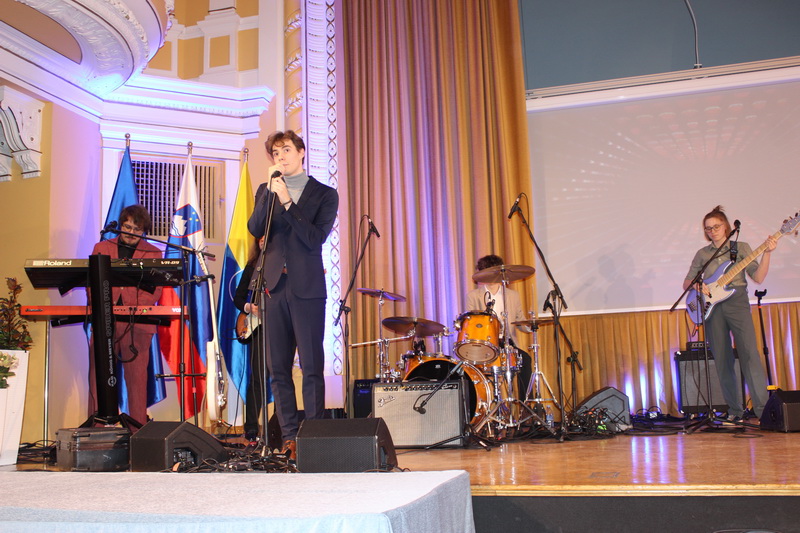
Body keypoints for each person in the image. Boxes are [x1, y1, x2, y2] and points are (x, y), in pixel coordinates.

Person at [247, 130, 338, 459]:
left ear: (301, 152)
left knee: (311, 366)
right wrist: (271, 196)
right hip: (274, 287)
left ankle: (313, 435)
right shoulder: (266, 189)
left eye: (286, 150)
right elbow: (255, 228)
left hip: (307, 288)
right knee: (278, 369)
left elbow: (314, 238)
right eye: (275, 152)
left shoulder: (325, 194)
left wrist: (287, 201)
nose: (280, 156)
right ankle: (288, 437)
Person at [683, 205, 778, 421]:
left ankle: (763, 411)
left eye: (716, 227)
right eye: (708, 228)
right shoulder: (703, 254)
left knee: (749, 354)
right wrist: (697, 285)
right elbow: (687, 282)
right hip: (712, 308)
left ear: (726, 226)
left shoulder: (741, 247)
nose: (712, 231)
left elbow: (758, 277)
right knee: (723, 359)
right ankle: (735, 411)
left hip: (737, 302)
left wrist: (767, 254)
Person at [90, 204, 162, 426]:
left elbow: (155, 290)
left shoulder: (153, 252)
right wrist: (103, 307)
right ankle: (98, 428)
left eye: (136, 229)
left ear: (144, 231)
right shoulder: (102, 247)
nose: (131, 232)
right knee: (98, 379)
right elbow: (91, 284)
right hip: (105, 322)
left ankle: (137, 430)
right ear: (120, 225)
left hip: (137, 324)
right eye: (127, 227)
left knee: (137, 381)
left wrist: (131, 309)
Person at [465, 254, 533, 402]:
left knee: (525, 360)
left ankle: (526, 404)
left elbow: (519, 320)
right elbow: (471, 322)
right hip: (485, 343)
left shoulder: (513, 295)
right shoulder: (473, 296)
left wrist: (530, 326)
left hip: (507, 343)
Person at [234, 236, 269, 441]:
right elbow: (238, 297)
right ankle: (251, 429)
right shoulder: (252, 265)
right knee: (257, 376)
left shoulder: (285, 262)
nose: (263, 242)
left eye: (267, 238)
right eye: (260, 239)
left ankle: (282, 429)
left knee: (279, 376)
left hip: (279, 324)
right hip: (258, 326)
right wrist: (249, 308)